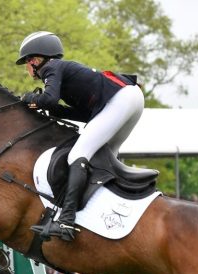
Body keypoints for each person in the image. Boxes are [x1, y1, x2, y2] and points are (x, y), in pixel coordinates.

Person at [16, 31, 145, 242]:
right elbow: (84, 115)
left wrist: (29, 98)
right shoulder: (64, 72)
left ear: (35, 60)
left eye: (27, 63)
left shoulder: (51, 67)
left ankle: (66, 220)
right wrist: (54, 110)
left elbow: (48, 99)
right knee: (105, 159)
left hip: (121, 99)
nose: (27, 68)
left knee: (78, 154)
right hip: (130, 98)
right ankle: (112, 209)